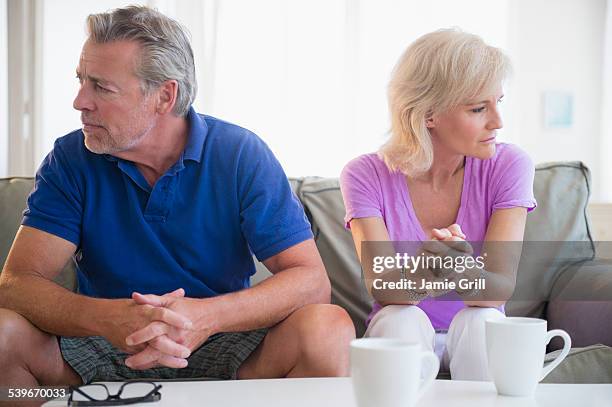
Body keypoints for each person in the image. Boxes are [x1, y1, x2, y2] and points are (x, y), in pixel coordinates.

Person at [0, 5, 355, 388]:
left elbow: (310, 280)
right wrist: (107, 318)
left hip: (224, 341)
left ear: (164, 96)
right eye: (81, 80)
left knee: (328, 329)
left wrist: (205, 317)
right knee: (3, 336)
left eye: (101, 86)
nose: (79, 101)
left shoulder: (238, 154)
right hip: (100, 344)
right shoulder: (70, 160)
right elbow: (18, 283)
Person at [340, 29, 536, 381]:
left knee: (481, 321)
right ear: (429, 114)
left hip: (476, 325)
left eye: (498, 102)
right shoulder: (364, 174)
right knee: (400, 319)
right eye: (478, 108)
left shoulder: (510, 165)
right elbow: (382, 286)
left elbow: (499, 288)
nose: (498, 122)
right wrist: (425, 270)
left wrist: (459, 268)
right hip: (403, 328)